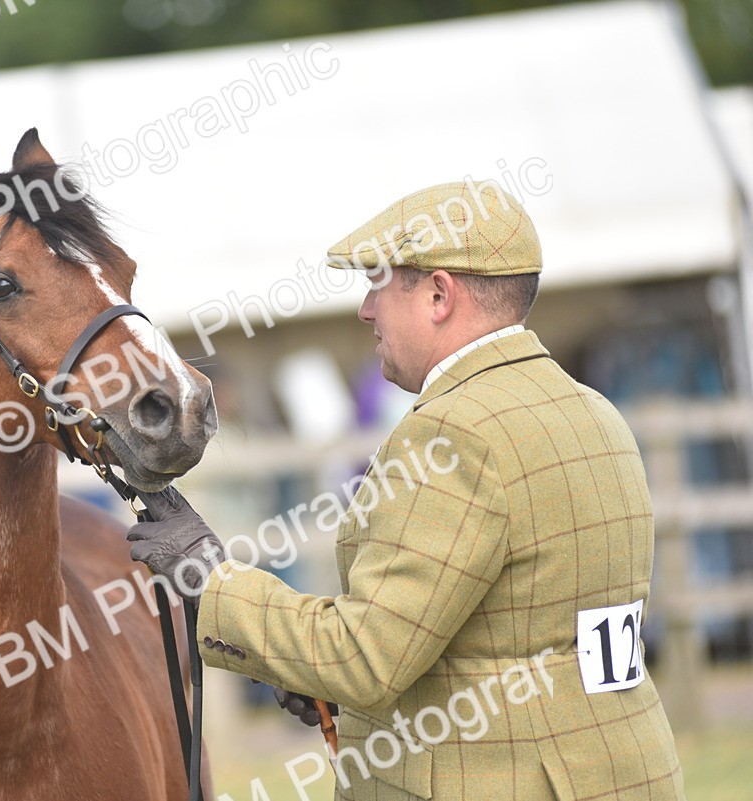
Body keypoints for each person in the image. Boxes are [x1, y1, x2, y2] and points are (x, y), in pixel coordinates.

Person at [128, 181, 684, 800]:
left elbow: (366, 658)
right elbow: (510, 638)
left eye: (378, 284)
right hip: (622, 770)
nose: (366, 310)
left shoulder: (454, 431)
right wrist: (319, 680)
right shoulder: (594, 411)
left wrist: (212, 580)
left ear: (440, 295)